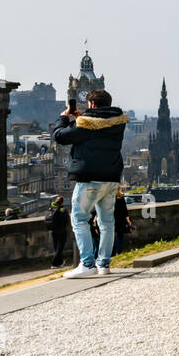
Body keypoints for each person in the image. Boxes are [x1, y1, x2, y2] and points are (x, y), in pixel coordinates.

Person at [52, 88, 129, 278]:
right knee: (107, 222)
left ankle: (87, 264)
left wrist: (64, 118)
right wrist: (83, 116)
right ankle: (103, 263)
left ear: (92, 104)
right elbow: (98, 125)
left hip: (90, 180)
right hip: (111, 179)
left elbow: (60, 136)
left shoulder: (85, 124)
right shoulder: (118, 123)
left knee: (79, 219)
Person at [45, 196, 69, 267]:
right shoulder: (62, 209)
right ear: (62, 202)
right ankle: (54, 263)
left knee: (56, 247)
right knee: (60, 247)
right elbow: (67, 220)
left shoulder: (51, 208)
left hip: (53, 230)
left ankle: (60, 262)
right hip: (61, 230)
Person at [114, 187, 132, 253]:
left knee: (110, 236)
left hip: (111, 219)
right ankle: (118, 252)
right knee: (120, 236)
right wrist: (128, 221)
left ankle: (111, 253)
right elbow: (125, 211)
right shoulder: (121, 198)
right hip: (120, 220)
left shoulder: (109, 198)